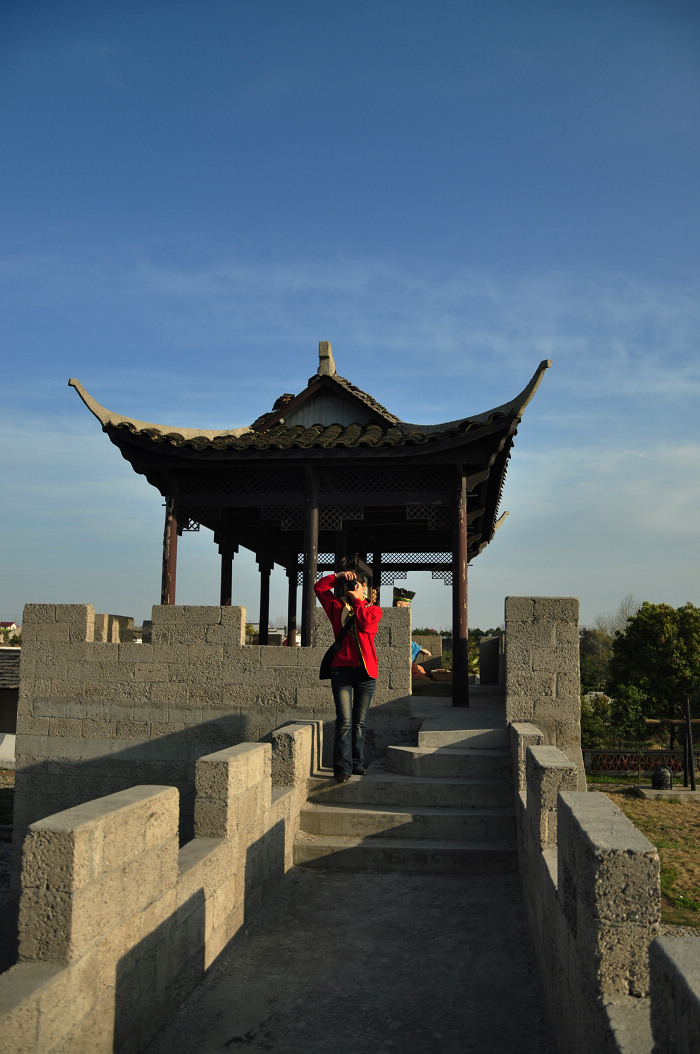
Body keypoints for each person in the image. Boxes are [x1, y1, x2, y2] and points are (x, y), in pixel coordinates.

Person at [315, 569, 383, 782]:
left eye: (356, 584)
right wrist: (337, 577)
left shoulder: (374, 610)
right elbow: (319, 588)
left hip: (366, 673)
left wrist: (358, 601)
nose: (352, 587)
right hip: (341, 671)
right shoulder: (337, 607)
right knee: (344, 720)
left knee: (360, 722)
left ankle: (357, 762)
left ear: (365, 588)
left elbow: (366, 625)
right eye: (349, 585)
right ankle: (342, 768)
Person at [393, 587, 431, 676]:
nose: (408, 607)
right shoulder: (394, 619)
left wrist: (418, 649)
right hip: (398, 658)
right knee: (418, 672)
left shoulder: (402, 619)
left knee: (421, 670)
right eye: (407, 605)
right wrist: (419, 648)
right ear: (398, 603)